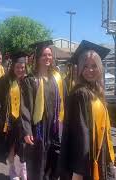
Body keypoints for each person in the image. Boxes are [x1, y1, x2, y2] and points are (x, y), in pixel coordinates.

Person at [60, 40, 115, 180]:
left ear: (100, 68)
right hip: (86, 161)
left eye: (94, 66)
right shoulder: (80, 94)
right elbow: (79, 134)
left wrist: (109, 157)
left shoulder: (97, 91)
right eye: (85, 66)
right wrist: (78, 170)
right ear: (79, 69)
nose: (90, 70)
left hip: (99, 153)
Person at [20, 40, 66, 180]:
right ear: (38, 58)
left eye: (49, 55)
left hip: (54, 128)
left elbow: (64, 102)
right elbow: (25, 107)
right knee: (37, 164)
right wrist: (27, 130)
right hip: (38, 128)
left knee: (54, 162)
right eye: (44, 55)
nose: (47, 58)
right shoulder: (30, 80)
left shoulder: (56, 79)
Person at [0, 51, 27, 180]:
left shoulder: (28, 80)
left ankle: (23, 171)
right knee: (11, 146)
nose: (20, 70)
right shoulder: (5, 80)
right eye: (17, 67)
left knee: (23, 147)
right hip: (8, 120)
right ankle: (13, 171)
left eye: (23, 67)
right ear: (12, 67)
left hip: (23, 121)